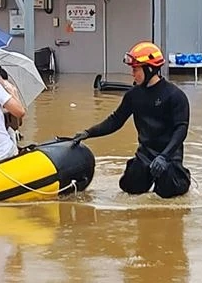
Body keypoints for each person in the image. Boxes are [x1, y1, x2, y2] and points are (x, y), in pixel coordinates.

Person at [71, 41, 191, 198]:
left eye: (135, 69)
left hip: (169, 158)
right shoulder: (133, 96)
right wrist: (88, 133)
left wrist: (164, 157)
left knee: (167, 191)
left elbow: (181, 129)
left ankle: (181, 177)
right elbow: (115, 121)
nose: (132, 74)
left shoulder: (175, 96)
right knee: (129, 188)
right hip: (145, 155)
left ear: (149, 69)